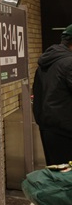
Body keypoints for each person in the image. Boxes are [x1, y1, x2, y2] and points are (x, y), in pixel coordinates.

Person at [33, 24, 72, 165]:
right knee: (66, 177)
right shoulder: (68, 63)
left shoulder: (47, 61)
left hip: (48, 127)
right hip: (66, 130)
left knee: (56, 172)